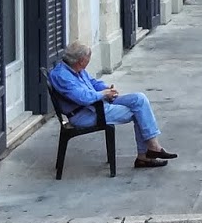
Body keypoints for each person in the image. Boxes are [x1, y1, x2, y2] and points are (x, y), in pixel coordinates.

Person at [48, 41, 182, 169]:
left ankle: (151, 150)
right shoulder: (62, 76)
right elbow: (83, 98)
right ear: (81, 60)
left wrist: (107, 88)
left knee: (139, 99)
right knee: (139, 112)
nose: (87, 64)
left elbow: (93, 83)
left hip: (97, 104)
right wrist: (103, 94)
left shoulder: (76, 68)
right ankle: (148, 153)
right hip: (85, 114)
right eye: (87, 60)